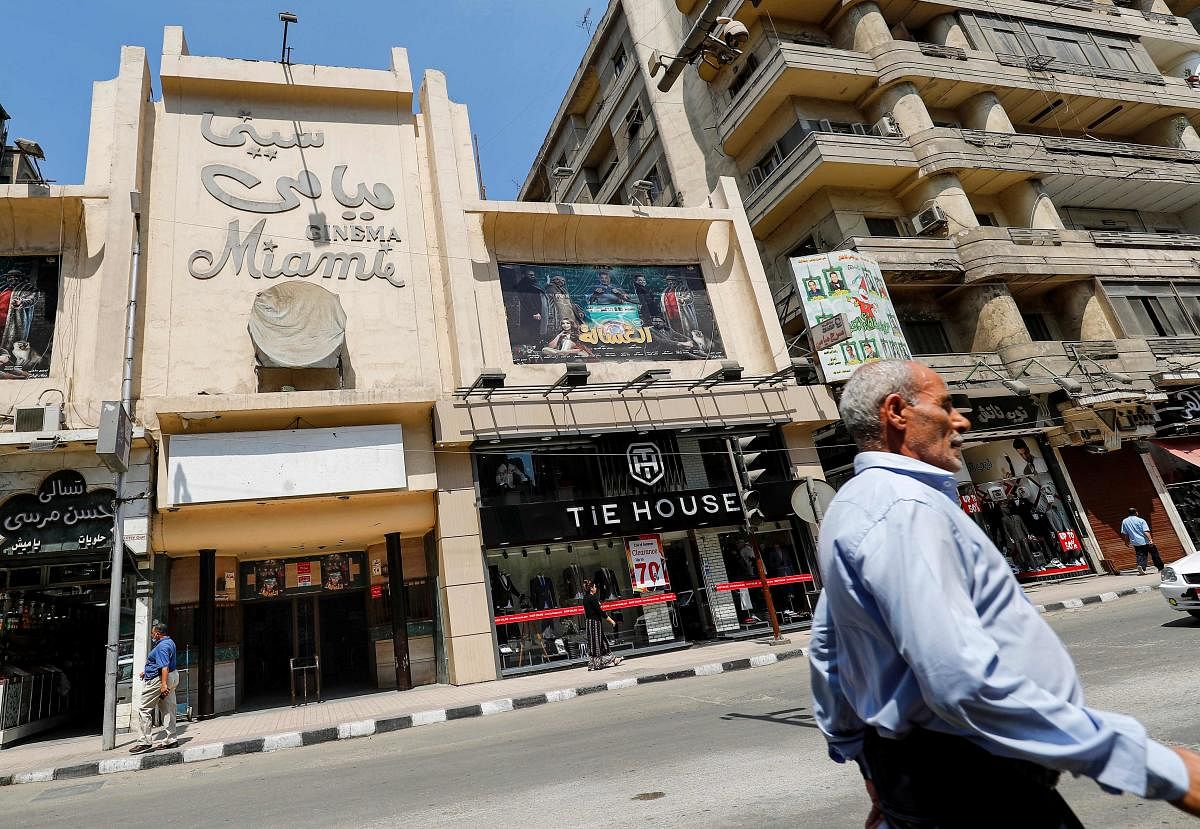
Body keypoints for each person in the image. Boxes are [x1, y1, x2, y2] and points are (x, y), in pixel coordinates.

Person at [809, 360, 1200, 828]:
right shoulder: (906, 509)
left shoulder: (853, 505)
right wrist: (1155, 766)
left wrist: (866, 762)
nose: (961, 421)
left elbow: (828, 652)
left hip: (926, 776)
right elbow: (960, 680)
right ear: (897, 412)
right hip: (974, 784)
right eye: (946, 406)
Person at [130, 620, 180, 753]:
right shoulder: (170, 642)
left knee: (144, 709)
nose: (152, 635)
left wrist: (163, 685)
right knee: (168, 708)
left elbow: (164, 666)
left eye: (153, 633)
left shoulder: (162, 647)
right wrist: (146, 671)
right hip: (172, 676)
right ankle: (171, 739)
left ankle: (144, 741)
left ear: (158, 634)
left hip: (159, 679)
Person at [582, 579, 622, 671]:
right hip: (594, 624)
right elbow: (600, 612)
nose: (596, 588)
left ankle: (613, 659)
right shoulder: (592, 598)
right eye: (595, 587)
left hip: (590, 623)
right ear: (591, 588)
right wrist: (611, 620)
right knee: (596, 643)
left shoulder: (585, 598)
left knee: (601, 642)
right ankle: (596, 664)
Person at [1121, 507, 1165, 575]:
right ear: (1136, 513)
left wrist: (1126, 542)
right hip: (1145, 541)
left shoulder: (1125, 521)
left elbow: (1126, 534)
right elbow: (1146, 531)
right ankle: (1160, 568)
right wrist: (1150, 540)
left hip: (1136, 542)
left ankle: (1141, 567)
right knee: (1154, 554)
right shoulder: (1141, 520)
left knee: (1140, 555)